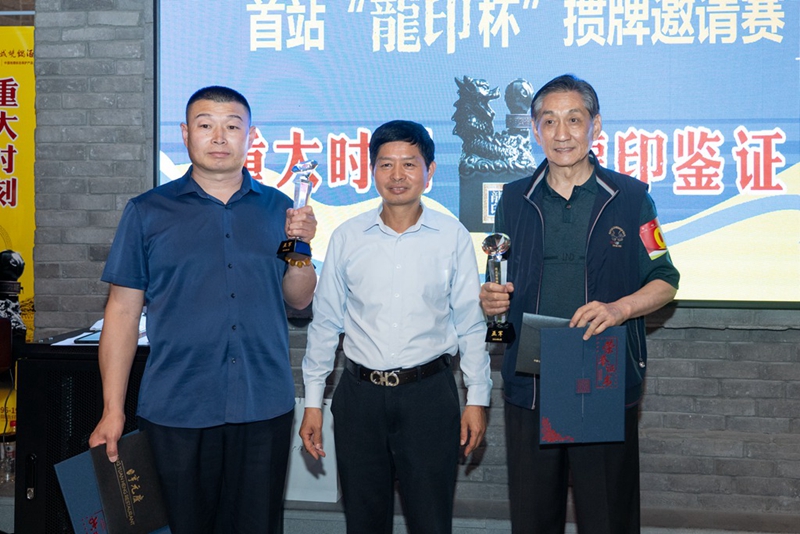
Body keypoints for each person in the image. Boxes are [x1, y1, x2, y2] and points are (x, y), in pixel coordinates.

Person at [89, 86, 317, 533]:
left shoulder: (281, 209)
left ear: (250, 136)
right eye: (206, 125)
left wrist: (302, 248)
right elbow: (121, 314)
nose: (219, 137)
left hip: (262, 405)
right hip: (176, 407)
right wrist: (112, 409)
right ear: (185, 134)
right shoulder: (147, 212)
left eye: (232, 126)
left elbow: (299, 299)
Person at [479, 74, 679, 534]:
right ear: (535, 130)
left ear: (596, 126)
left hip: (600, 371)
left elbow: (665, 280)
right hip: (533, 375)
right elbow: (499, 274)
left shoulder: (631, 198)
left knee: (607, 514)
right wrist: (490, 297)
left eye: (574, 119)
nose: (562, 133)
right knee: (533, 516)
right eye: (549, 121)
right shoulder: (513, 198)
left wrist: (619, 309)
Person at [300, 120, 492, 534]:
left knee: (431, 521)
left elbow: (470, 324)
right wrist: (313, 402)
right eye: (386, 164)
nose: (397, 175)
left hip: (429, 396)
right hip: (359, 398)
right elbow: (325, 323)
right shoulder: (347, 237)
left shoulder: (452, 236)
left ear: (430, 171)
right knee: (363, 521)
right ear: (372, 171)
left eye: (409, 163)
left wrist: (477, 397)